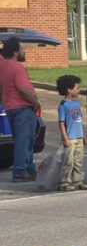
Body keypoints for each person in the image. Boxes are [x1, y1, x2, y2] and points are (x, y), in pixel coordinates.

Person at [0, 36, 41, 182]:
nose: (25, 52)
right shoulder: (16, 67)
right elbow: (23, 89)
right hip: (23, 107)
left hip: (10, 107)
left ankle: (29, 168)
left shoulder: (3, 66)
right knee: (24, 141)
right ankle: (20, 171)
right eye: (23, 49)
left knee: (24, 140)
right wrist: (36, 102)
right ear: (16, 51)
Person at [56, 75, 87, 191]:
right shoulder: (63, 105)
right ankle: (64, 182)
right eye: (77, 88)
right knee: (68, 162)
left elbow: (78, 121)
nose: (79, 90)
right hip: (69, 138)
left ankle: (78, 181)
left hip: (78, 137)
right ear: (69, 90)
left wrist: (83, 135)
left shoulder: (76, 103)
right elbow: (61, 123)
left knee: (78, 160)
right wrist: (65, 139)